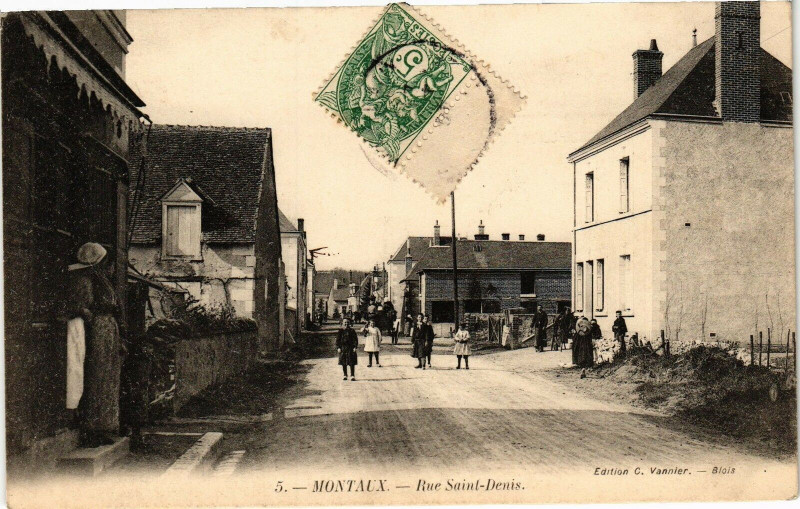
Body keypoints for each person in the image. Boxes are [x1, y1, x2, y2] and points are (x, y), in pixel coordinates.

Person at [68, 242, 124, 448]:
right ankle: (92, 429)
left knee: (108, 378)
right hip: (98, 332)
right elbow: (82, 306)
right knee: (97, 377)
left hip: (108, 330)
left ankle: (104, 427)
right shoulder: (86, 281)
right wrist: (90, 317)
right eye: (104, 261)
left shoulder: (102, 281)